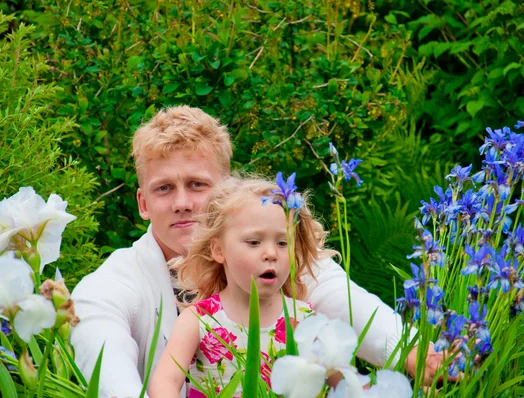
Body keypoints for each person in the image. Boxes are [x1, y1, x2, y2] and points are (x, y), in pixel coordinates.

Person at [70, 105, 429, 398]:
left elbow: (337, 295)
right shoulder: (112, 285)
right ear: (143, 202)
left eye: (197, 184)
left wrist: (414, 353)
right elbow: (106, 361)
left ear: (225, 190)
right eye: (164, 188)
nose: (182, 203)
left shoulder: (272, 255)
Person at [149, 175, 331, 397]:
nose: (271, 254)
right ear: (218, 250)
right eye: (254, 242)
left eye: (283, 243)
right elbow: (164, 381)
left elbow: (338, 382)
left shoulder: (304, 319)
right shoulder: (199, 320)